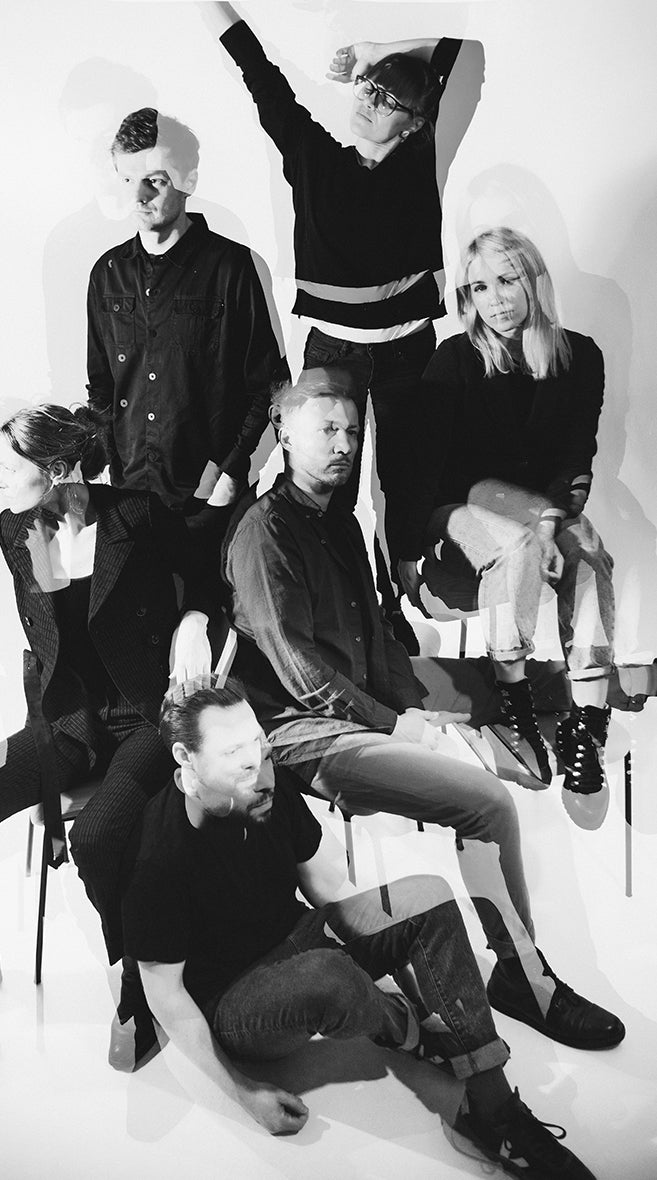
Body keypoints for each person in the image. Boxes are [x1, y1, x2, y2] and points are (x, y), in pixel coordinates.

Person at [222, 368, 625, 1054]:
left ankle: (548, 735)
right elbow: (299, 669)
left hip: (365, 702)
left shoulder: (341, 522)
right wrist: (394, 723)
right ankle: (523, 978)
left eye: (352, 431)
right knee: (487, 805)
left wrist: (411, 709)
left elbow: (378, 635)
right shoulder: (264, 532)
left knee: (512, 690)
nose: (343, 443)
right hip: (304, 731)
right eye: (326, 429)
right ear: (283, 434)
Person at [126, 680, 596, 1178]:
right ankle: (408, 1032)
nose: (262, 776)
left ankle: (493, 1110)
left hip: (296, 938)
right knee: (329, 977)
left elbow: (328, 887)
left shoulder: (269, 789)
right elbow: (167, 999)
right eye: (240, 764)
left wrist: (401, 957)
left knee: (429, 895)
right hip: (236, 1002)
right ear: (187, 759)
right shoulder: (158, 858)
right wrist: (244, 1094)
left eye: (262, 752)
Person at [0, 404, 218, 1058]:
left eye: (9, 468)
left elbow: (206, 575)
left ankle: (137, 976)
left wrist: (195, 620)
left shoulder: (135, 514)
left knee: (101, 834)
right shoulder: (12, 529)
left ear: (56, 470)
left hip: (146, 718)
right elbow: (44, 649)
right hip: (67, 724)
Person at [203, 2, 474, 646]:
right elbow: (260, 77)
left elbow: (456, 48)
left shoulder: (418, 160)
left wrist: (374, 50)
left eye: (388, 99)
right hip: (334, 352)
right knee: (325, 485)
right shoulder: (312, 156)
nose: (369, 102)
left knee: (407, 488)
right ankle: (336, 612)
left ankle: (396, 607)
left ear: (415, 122)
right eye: (368, 89)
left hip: (409, 351)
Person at [397, 228, 616, 829]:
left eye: (506, 281)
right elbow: (421, 465)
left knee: (589, 549)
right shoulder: (455, 359)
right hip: (460, 510)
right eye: (479, 287)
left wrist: (549, 520)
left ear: (533, 281)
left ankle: (587, 723)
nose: (493, 299)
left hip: (542, 509)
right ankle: (515, 699)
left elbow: (576, 453)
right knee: (516, 544)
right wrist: (407, 549)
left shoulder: (581, 356)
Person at [85, 106, 288, 551]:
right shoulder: (106, 273)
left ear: (188, 180)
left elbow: (269, 384)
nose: (139, 196)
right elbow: (101, 386)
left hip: (208, 498)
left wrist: (232, 472)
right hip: (129, 495)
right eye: (128, 179)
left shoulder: (233, 268)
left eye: (155, 181)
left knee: (209, 597)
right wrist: (110, 466)